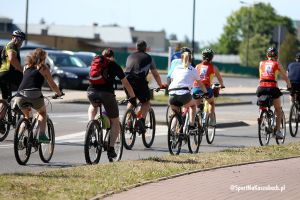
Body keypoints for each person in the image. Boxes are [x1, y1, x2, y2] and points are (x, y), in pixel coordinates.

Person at [87, 48, 136, 159]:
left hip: (91, 92)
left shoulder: (95, 62)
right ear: (113, 56)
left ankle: (91, 125)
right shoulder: (114, 65)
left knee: (93, 105)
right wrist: (132, 97)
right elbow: (126, 83)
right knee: (115, 121)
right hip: (107, 94)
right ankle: (111, 148)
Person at [15, 48, 63, 143]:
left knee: (26, 117)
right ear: (43, 57)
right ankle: (41, 135)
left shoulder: (26, 66)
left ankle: (19, 140)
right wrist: (59, 93)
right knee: (42, 113)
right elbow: (52, 84)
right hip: (35, 95)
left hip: (20, 95)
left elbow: (28, 81)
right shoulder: (43, 68)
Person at [124, 40, 167, 132]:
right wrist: (160, 85)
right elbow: (155, 74)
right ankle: (141, 121)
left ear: (136, 47)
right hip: (139, 81)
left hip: (127, 81)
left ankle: (128, 121)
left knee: (131, 100)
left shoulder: (130, 56)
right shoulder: (148, 58)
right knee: (146, 103)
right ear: (145, 48)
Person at [168, 47, 208, 133]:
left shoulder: (176, 68)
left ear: (181, 58)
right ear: (191, 59)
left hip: (171, 94)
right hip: (184, 94)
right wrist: (206, 92)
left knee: (176, 114)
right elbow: (200, 84)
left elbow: (172, 80)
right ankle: (191, 125)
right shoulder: (192, 69)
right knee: (193, 106)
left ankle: (172, 132)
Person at [256, 47, 291, 139]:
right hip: (272, 88)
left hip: (261, 87)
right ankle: (278, 132)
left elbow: (261, 76)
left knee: (262, 102)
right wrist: (289, 86)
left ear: (267, 55)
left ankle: (262, 117)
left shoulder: (261, 63)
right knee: (278, 109)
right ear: (277, 56)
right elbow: (285, 77)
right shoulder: (277, 64)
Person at [192, 48, 225, 126]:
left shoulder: (197, 66)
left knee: (198, 105)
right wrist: (222, 85)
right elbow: (219, 78)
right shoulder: (213, 67)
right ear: (212, 57)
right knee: (211, 103)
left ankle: (198, 121)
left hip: (196, 88)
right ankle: (211, 119)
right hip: (206, 89)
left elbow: (193, 78)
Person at [0, 30, 25, 100]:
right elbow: (12, 59)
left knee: (6, 100)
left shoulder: (11, 46)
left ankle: (5, 109)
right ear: (13, 37)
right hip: (8, 73)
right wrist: (22, 70)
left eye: (22, 39)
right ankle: (19, 104)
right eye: (19, 38)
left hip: (3, 74)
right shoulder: (12, 45)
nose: (20, 41)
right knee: (27, 82)